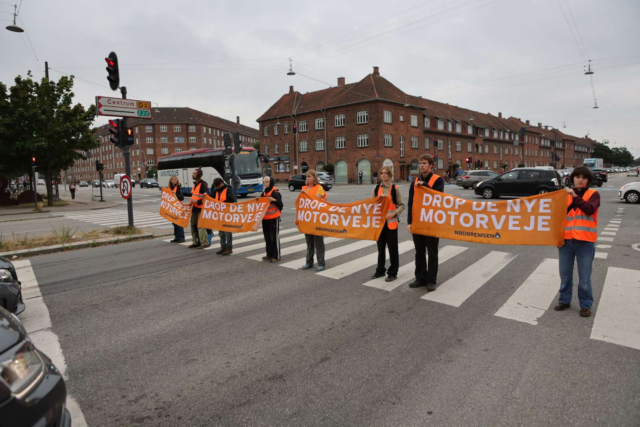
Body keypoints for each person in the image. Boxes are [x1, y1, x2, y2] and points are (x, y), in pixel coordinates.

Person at [554, 166, 600, 318]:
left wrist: (574, 195)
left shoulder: (593, 194)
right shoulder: (564, 195)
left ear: (588, 180)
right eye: (577, 176)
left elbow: (589, 209)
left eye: (584, 177)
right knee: (565, 275)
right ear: (572, 178)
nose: (580, 179)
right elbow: (556, 215)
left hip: (584, 241)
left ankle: (586, 305)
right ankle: (564, 300)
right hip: (566, 241)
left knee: (584, 277)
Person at [407, 154, 445, 291]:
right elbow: (411, 202)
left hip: (432, 222)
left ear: (431, 166)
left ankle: (431, 280)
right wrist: (410, 222)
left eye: (424, 163)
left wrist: (426, 185)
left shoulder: (438, 180)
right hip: (418, 222)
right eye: (420, 163)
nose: (421, 165)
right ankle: (420, 278)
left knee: (432, 252)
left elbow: (438, 198)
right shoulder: (415, 181)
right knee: (419, 251)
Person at [370, 166, 405, 282]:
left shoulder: (395, 189)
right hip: (380, 224)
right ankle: (380, 270)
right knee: (381, 248)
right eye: (382, 173)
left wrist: (395, 213)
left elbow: (402, 205)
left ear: (390, 175)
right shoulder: (376, 189)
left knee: (392, 249)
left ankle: (393, 272)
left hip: (391, 223)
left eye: (386, 173)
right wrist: (378, 200)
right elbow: (371, 204)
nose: (384, 175)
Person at [301, 170, 327, 271]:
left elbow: (316, 202)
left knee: (318, 243)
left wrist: (305, 195)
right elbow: (301, 205)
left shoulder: (319, 188)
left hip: (317, 219)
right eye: (306, 176)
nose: (307, 178)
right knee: (309, 243)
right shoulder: (304, 188)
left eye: (309, 176)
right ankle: (309, 262)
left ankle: (321, 263)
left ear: (314, 178)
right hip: (307, 220)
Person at [211, 177, 237, 255]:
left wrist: (221, 203)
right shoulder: (216, 191)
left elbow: (231, 199)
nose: (217, 187)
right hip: (219, 214)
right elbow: (211, 198)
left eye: (218, 185)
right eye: (216, 186)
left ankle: (229, 248)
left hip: (227, 214)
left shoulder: (228, 189)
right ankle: (223, 247)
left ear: (221, 183)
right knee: (221, 232)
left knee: (228, 232)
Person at [261, 176, 283, 262]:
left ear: (271, 183)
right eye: (265, 182)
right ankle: (269, 254)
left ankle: (276, 256)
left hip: (274, 218)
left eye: (267, 182)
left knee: (274, 237)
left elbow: (280, 204)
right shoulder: (264, 193)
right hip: (265, 218)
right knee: (267, 237)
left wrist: (273, 200)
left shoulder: (275, 192)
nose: (266, 184)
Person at [188, 169, 210, 249]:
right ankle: (195, 242)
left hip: (201, 208)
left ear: (198, 175)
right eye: (193, 173)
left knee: (201, 226)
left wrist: (197, 201)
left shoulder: (203, 185)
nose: (192, 174)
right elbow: (193, 196)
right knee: (193, 225)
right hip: (194, 208)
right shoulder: (194, 185)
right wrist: (191, 202)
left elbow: (207, 197)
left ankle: (204, 242)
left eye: (194, 173)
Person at [168, 176, 186, 243]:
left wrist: (175, 194)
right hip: (172, 208)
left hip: (178, 208)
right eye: (173, 179)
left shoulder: (178, 188)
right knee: (174, 223)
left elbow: (181, 197)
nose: (174, 180)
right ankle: (177, 237)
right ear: (171, 181)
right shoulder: (169, 188)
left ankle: (181, 237)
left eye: (175, 179)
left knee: (179, 223)